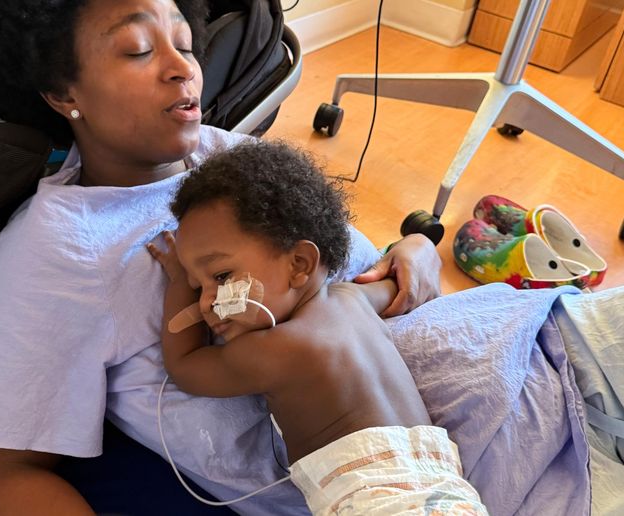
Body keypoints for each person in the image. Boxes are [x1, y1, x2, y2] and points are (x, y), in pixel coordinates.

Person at [0, 1, 442, 514]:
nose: (183, 67)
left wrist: (411, 250)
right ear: (62, 92)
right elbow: (2, 471)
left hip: (469, 397)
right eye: (140, 49)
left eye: (185, 44)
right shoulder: (60, 251)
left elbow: (338, 270)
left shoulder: (223, 157)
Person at [146, 140, 488, 515]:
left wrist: (178, 281)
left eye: (221, 276)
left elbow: (185, 367)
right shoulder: (353, 299)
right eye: (198, 286)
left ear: (299, 264)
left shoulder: (275, 350)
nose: (206, 302)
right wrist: (412, 245)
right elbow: (404, 291)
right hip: (450, 492)